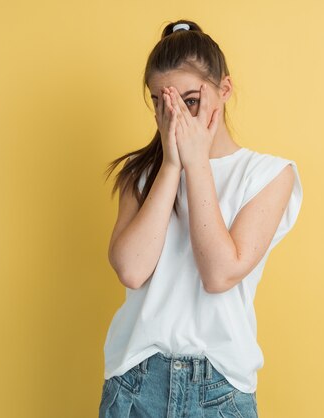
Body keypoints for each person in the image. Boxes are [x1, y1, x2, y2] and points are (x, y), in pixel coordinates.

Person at [100, 19, 303, 418]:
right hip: (136, 384)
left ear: (223, 90)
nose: (174, 115)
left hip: (219, 392)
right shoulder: (141, 175)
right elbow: (131, 269)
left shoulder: (268, 175)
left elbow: (219, 273)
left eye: (189, 100)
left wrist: (198, 165)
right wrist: (173, 164)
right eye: (161, 101)